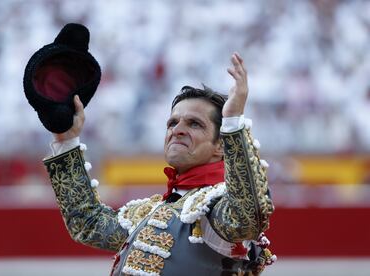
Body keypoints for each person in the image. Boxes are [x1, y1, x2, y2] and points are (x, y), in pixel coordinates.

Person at [43, 52, 275, 275]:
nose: (177, 130)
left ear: (221, 145)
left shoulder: (216, 206)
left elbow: (244, 218)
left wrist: (233, 121)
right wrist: (66, 140)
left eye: (195, 124)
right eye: (172, 123)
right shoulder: (151, 211)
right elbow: (88, 224)